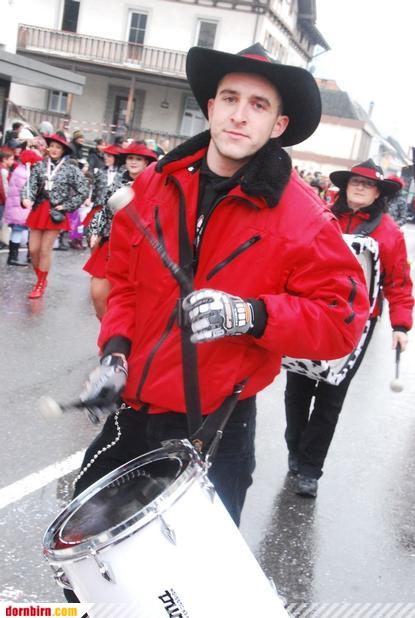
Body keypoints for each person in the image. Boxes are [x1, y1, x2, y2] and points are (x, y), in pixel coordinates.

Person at [67, 43, 370, 547]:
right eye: (230, 98)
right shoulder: (155, 183)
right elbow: (124, 282)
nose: (239, 115)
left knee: (191, 576)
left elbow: (341, 322)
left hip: (215, 430)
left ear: (278, 124)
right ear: (210, 108)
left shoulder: (306, 217)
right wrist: (115, 353)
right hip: (133, 416)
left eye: (258, 105)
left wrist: (251, 315)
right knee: (83, 557)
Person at [284, 159, 414, 497]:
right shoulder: (321, 216)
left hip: (357, 324)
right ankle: (295, 449)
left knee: (330, 397)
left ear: (377, 193)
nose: (360, 187)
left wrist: (401, 324)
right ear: (345, 186)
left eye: (368, 184)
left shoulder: (389, 233)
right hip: (311, 313)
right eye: (355, 181)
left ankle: (310, 469)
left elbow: (399, 283)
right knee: (297, 389)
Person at [83, 143, 157, 319]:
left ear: (146, 163)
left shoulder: (155, 186)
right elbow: (105, 210)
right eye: (130, 158)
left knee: (130, 299)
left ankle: (117, 332)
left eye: (138, 159)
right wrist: (95, 231)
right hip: (111, 243)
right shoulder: (118, 183)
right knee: (98, 294)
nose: (133, 162)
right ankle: (107, 330)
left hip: (139, 248)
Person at [21, 133, 89, 299]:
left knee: (45, 250)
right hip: (39, 210)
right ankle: (40, 277)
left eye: (58, 147)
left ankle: (40, 284)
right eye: (51, 146)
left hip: (55, 212)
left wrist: (67, 205)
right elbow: (29, 185)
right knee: (33, 249)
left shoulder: (71, 169)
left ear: (63, 151)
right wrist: (26, 198)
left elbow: (83, 190)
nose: (54, 149)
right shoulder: (40, 165)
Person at [4, 148, 43, 266]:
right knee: (19, 231)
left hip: (17, 207)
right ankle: (14, 257)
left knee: (19, 231)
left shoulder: (20, 170)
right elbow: (29, 190)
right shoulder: (25, 173)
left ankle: (14, 256)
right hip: (21, 208)